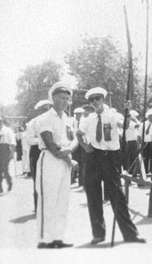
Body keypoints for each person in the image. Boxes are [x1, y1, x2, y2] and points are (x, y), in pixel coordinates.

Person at [76, 87, 145, 245]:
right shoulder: (88, 119)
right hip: (93, 157)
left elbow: (126, 126)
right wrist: (85, 146)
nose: (95, 102)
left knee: (116, 195)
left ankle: (130, 234)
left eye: (97, 99)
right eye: (92, 100)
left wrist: (127, 111)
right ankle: (98, 233)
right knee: (93, 195)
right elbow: (78, 134)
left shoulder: (113, 116)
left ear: (103, 99)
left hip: (109, 157)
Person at [35, 81, 78, 248]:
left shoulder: (67, 119)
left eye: (67, 98)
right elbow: (51, 145)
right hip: (50, 161)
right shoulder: (44, 118)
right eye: (61, 98)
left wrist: (69, 152)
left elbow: (74, 140)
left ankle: (58, 238)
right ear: (53, 99)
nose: (65, 101)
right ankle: (45, 239)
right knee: (49, 199)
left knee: (62, 200)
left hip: (65, 161)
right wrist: (68, 153)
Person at [26, 99, 52, 212]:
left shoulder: (53, 121)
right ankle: (39, 207)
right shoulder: (33, 123)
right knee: (38, 179)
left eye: (49, 109)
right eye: (44, 110)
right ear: (39, 111)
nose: (47, 112)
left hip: (51, 151)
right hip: (37, 151)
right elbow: (29, 139)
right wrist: (43, 140)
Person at [137, 108, 152, 173]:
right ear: (147, 116)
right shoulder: (143, 124)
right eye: (150, 115)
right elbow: (139, 135)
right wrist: (139, 144)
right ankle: (144, 173)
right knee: (145, 159)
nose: (151, 117)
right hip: (145, 143)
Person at [0, 117, 16, 193]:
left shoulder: (8, 130)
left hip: (5, 150)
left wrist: (12, 153)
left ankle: (9, 183)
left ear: (2, 121)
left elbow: (12, 143)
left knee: (4, 169)